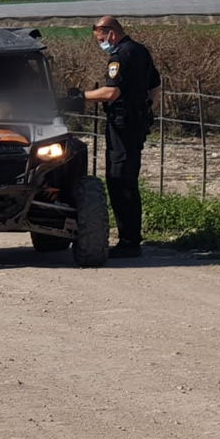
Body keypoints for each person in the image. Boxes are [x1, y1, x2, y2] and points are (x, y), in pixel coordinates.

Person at [82, 16, 160, 258]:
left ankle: (129, 242)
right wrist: (146, 110)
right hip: (134, 123)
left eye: (101, 39)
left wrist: (80, 97)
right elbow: (155, 87)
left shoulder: (120, 57)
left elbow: (111, 92)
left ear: (111, 33)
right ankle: (130, 238)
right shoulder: (140, 51)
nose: (101, 44)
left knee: (120, 180)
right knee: (127, 179)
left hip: (123, 125)